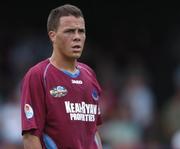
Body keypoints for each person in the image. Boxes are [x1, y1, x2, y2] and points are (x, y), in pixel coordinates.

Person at [20, 4, 103, 149]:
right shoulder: (38, 75)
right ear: (53, 35)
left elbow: (94, 131)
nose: (77, 37)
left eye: (81, 31)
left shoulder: (90, 74)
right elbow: (30, 136)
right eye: (70, 31)